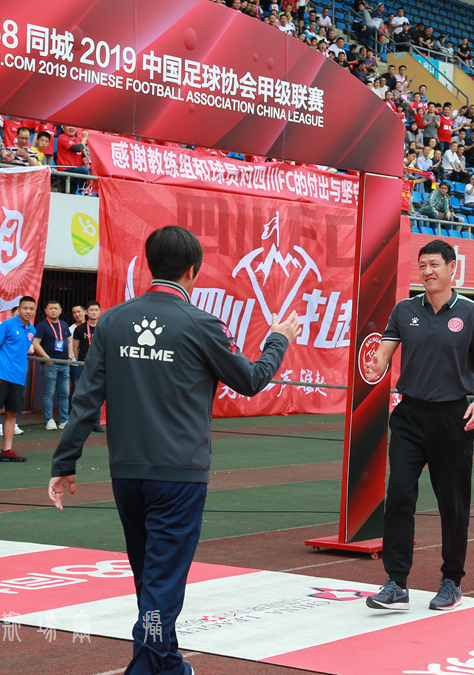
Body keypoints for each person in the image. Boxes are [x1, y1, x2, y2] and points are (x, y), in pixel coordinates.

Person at [49, 225, 300, 675]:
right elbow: (251, 379)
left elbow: (86, 399)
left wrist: (64, 463)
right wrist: (278, 339)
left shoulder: (111, 320)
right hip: (179, 473)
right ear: (192, 271)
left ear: (150, 264)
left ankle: (167, 665)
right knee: (162, 582)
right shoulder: (201, 323)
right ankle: (145, 667)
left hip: (126, 473)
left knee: (149, 576)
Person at [363, 239, 474, 612]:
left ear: (453, 268)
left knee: (452, 504)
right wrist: (376, 365)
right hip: (409, 416)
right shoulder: (405, 310)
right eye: (422, 265)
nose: (427, 271)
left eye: (434, 264)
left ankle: (451, 581)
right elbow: (384, 355)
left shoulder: (470, 312)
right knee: (400, 496)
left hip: (454, 417)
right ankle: (396, 583)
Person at [0, 296, 50, 464]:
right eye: (25, 308)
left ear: (35, 311)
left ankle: (6, 450)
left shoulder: (32, 331)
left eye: (31, 309)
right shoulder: (7, 325)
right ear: (19, 309)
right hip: (1, 374)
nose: (28, 311)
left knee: (12, 413)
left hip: (19, 377)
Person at [34, 300, 71, 430]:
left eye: (56, 308)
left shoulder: (64, 324)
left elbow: (69, 341)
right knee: (49, 393)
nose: (53, 311)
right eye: (51, 309)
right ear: (46, 310)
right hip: (50, 364)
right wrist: (46, 358)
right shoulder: (42, 325)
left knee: (65, 393)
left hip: (65, 364)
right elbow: (35, 343)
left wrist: (69, 357)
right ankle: (49, 419)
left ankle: (64, 420)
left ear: (61, 310)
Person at [73, 300, 105, 432]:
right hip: (83, 365)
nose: (93, 312)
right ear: (86, 312)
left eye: (96, 310)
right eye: (91, 310)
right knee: (81, 393)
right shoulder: (79, 329)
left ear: (99, 311)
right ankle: (80, 420)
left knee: (98, 394)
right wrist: (81, 360)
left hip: (100, 365)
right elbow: (75, 348)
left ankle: (95, 422)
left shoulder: (103, 327)